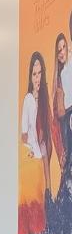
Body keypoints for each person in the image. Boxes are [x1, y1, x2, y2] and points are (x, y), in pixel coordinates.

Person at [20, 51, 51, 234]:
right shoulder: (29, 100)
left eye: (40, 73)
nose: (37, 78)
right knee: (32, 214)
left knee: (41, 213)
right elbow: (24, 135)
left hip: (41, 162)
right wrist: (29, 151)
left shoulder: (43, 101)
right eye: (34, 74)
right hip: (31, 164)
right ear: (30, 77)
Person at [54, 30, 70, 168]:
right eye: (58, 50)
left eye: (63, 47)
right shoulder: (60, 74)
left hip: (69, 114)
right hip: (65, 115)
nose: (61, 52)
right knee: (67, 154)